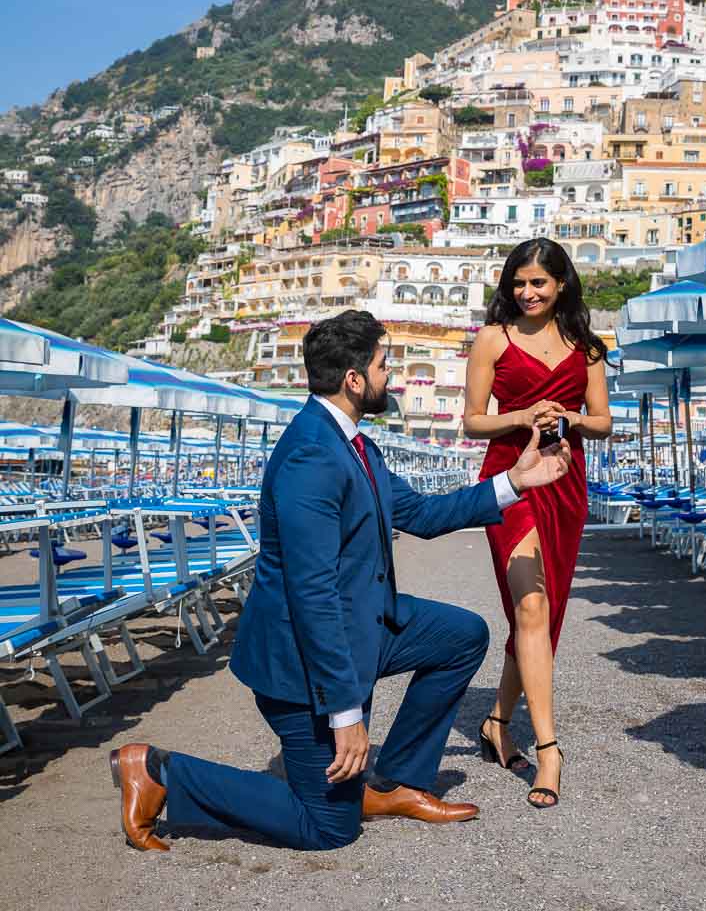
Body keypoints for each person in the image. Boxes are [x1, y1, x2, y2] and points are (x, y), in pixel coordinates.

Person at [110, 309, 571, 852]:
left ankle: (397, 780)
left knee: (462, 636)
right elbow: (312, 596)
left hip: (363, 626)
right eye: (382, 365)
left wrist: (514, 482)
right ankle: (162, 773)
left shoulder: (354, 443)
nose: (389, 376)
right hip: (302, 667)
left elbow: (420, 514)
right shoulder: (311, 456)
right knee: (328, 827)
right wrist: (346, 713)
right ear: (354, 379)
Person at [463, 239, 611, 809]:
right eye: (519, 282)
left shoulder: (586, 348)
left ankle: (498, 722)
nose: (527, 292)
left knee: (543, 618)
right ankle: (549, 749)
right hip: (508, 480)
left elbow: (601, 423)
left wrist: (570, 416)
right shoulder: (492, 339)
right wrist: (522, 415)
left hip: (565, 485)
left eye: (538, 283)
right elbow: (473, 421)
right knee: (529, 607)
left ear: (561, 286)